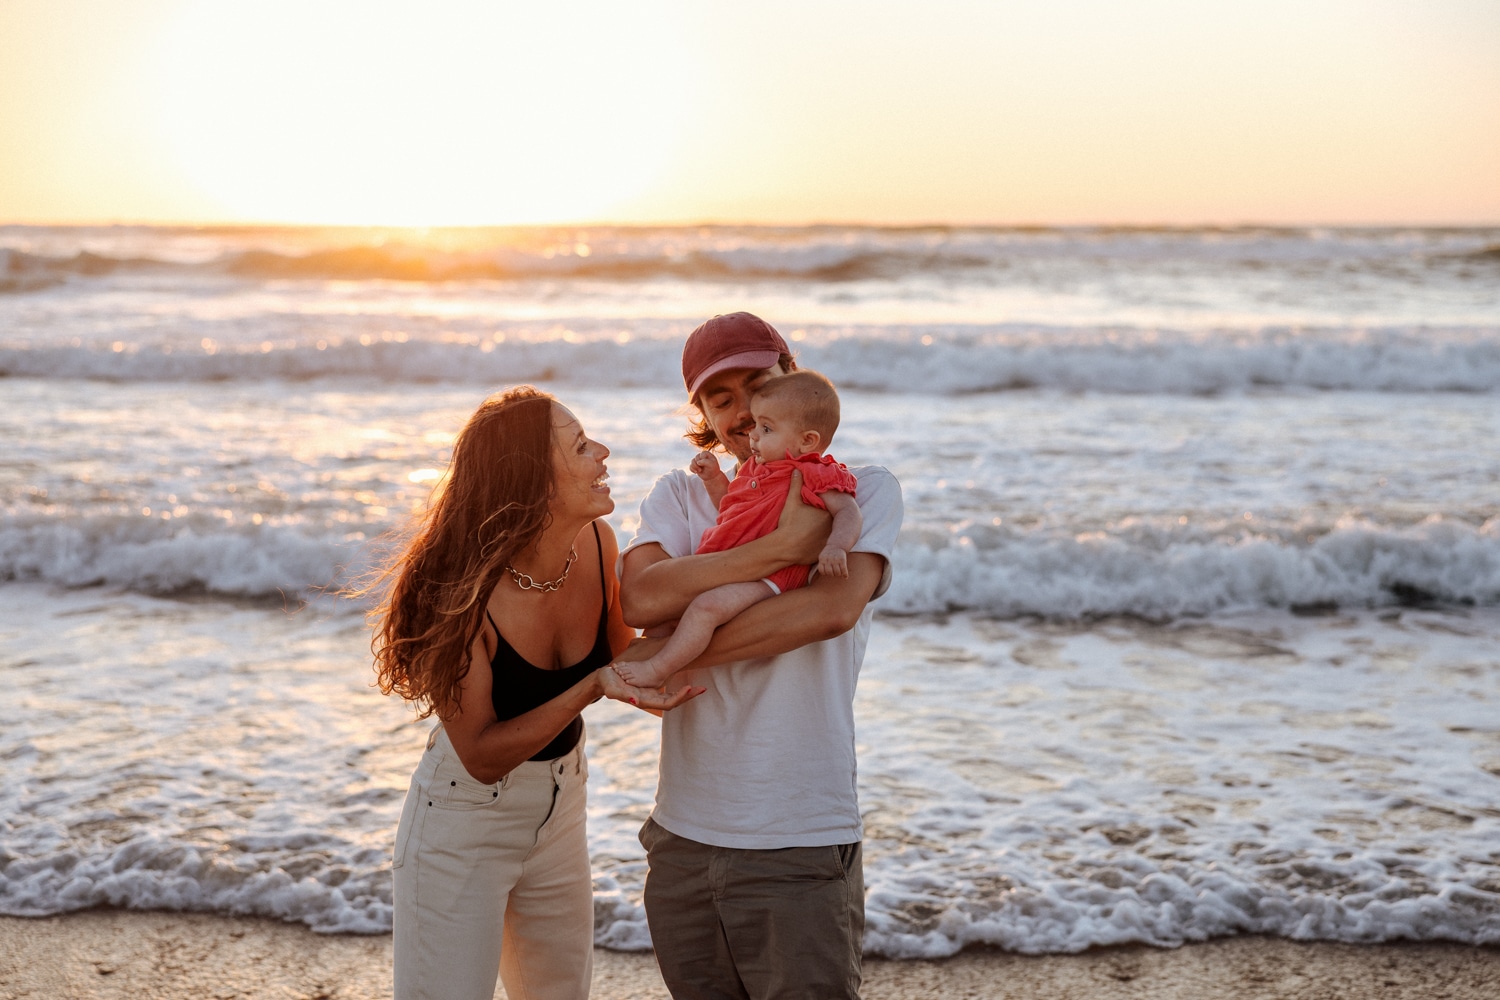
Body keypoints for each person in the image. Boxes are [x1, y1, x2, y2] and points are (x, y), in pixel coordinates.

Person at [369, 386, 701, 1000]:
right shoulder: (460, 592)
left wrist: (734, 606)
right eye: (581, 447)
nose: (603, 452)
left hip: (561, 805)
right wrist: (590, 688)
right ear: (533, 481)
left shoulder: (597, 544)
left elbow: (625, 658)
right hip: (464, 820)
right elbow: (481, 754)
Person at [614, 313, 904, 999]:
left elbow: (829, 610)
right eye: (721, 399)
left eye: (757, 384)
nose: (743, 409)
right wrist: (779, 549)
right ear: (705, 417)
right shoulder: (681, 494)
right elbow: (641, 599)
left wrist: (670, 647)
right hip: (681, 837)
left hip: (797, 834)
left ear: (791, 374)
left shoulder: (859, 487)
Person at [611, 369, 862, 690]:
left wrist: (837, 546)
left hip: (770, 578)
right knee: (663, 624)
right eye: (757, 425)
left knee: (706, 609)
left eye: (766, 428)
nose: (753, 434)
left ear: (807, 441)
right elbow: (732, 509)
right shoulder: (758, 470)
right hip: (735, 566)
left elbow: (848, 512)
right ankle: (651, 682)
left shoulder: (814, 472)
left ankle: (658, 668)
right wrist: (714, 479)